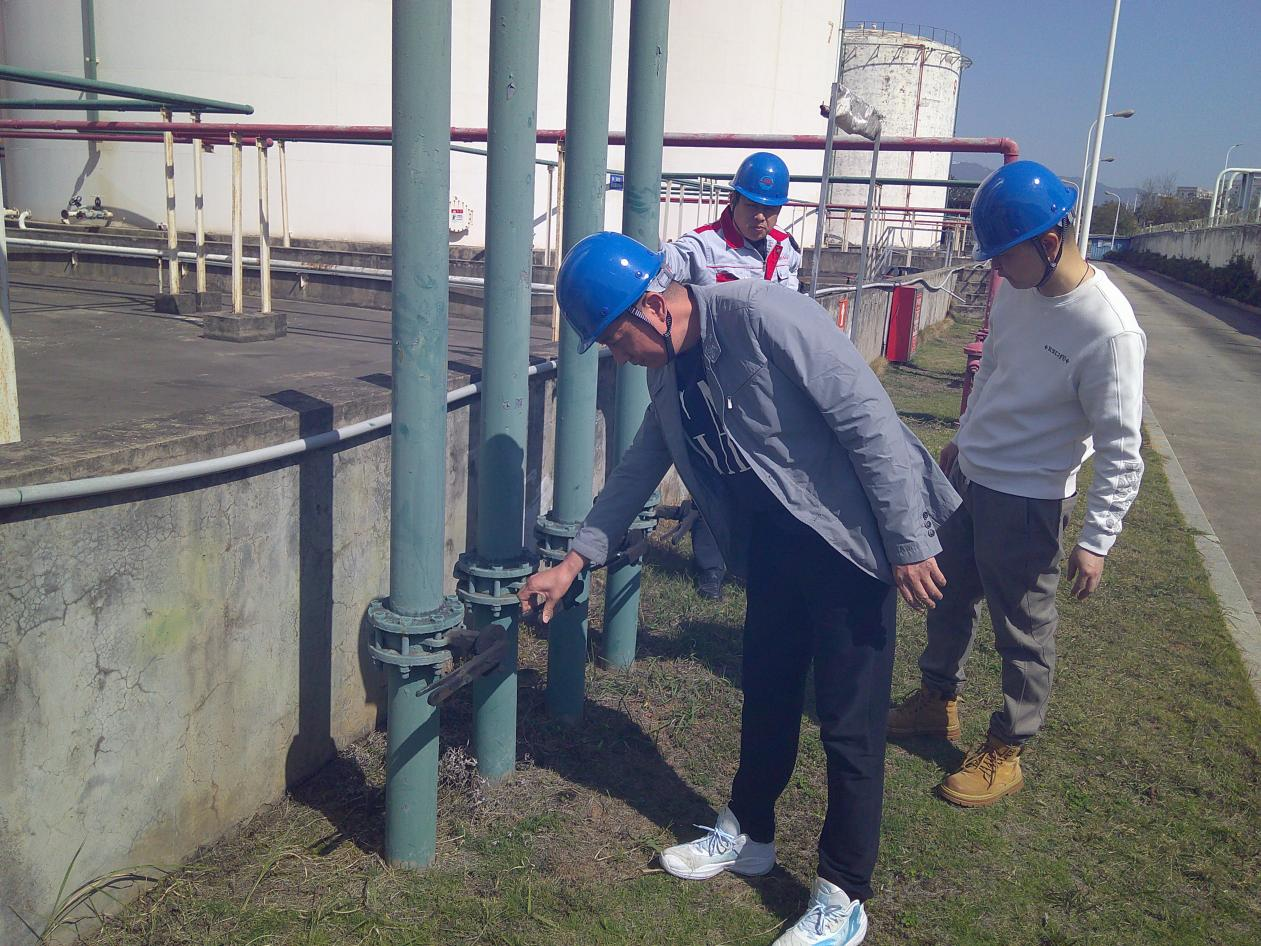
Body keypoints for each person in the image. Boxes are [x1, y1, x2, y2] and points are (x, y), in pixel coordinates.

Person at [519, 230, 960, 946]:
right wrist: (575, 561)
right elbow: (640, 464)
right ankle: (750, 833)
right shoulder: (668, 370)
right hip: (775, 553)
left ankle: (843, 894)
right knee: (766, 695)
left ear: (650, 309)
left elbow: (868, 421)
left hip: (848, 546)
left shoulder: (762, 315)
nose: (617, 357)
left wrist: (908, 541)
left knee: (849, 727)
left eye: (615, 339)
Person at [888, 160, 1147, 807]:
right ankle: (936, 700)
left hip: (1030, 500)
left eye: (1004, 255)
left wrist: (1096, 540)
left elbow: (1122, 449)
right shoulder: (1016, 291)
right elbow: (995, 368)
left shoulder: (1108, 330)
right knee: (946, 597)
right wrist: (965, 434)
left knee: (1023, 631)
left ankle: (1008, 745)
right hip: (971, 479)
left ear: (1049, 242)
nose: (996, 268)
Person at [661, 151, 802, 600]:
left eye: (771, 209)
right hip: (714, 382)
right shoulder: (702, 247)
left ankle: (758, 559)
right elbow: (660, 269)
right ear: (733, 200)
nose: (762, 217)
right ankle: (710, 567)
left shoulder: (786, 250)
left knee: (765, 471)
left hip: (768, 383)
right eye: (753, 205)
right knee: (717, 468)